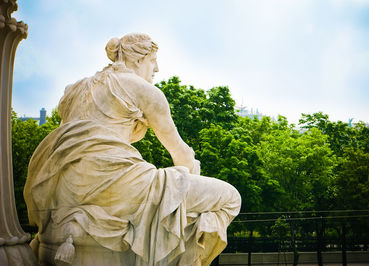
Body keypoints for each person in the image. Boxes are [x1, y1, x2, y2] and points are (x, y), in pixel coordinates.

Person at [24, 33, 241, 266]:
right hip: (117, 184)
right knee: (229, 197)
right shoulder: (144, 90)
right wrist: (187, 173)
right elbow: (180, 153)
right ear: (139, 59)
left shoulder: (75, 90)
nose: (156, 68)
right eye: (153, 59)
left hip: (61, 191)